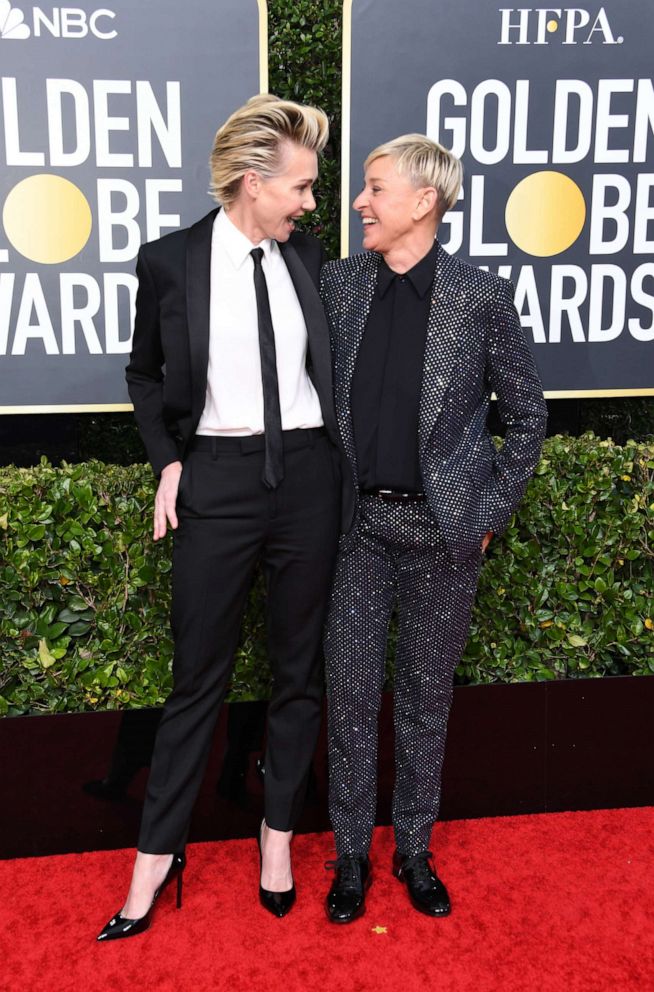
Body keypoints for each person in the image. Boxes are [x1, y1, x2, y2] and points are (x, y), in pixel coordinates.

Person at [97, 94, 343, 940]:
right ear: (252, 182)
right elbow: (142, 373)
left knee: (296, 673)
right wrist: (170, 462)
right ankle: (156, 857)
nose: (312, 204)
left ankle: (277, 843)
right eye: (302, 188)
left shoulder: (307, 257)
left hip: (310, 478)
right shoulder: (169, 262)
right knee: (196, 678)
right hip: (220, 480)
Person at [321, 134, 547, 923]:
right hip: (360, 532)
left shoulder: (479, 297)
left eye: (375, 188)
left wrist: (485, 517)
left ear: (423, 201)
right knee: (347, 696)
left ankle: (414, 849)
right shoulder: (339, 285)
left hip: (444, 538)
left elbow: (527, 417)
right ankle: (351, 854)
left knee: (423, 698)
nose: (360, 202)